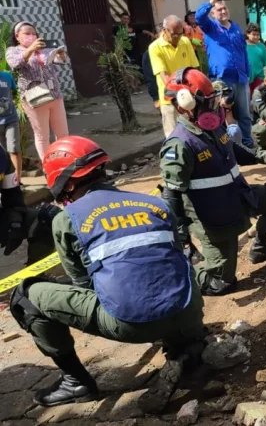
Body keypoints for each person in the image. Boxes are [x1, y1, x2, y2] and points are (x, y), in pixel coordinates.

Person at [9, 136, 206, 412]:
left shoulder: (67, 219)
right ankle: (188, 348)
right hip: (188, 311)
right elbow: (170, 259)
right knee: (161, 272)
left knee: (25, 295)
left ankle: (75, 382)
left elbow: (85, 286)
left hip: (131, 323)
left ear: (63, 182)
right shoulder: (154, 204)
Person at [159, 68, 266, 296]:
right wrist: (184, 240)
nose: (214, 108)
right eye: (207, 103)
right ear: (184, 107)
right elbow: (172, 197)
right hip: (215, 220)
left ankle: (261, 248)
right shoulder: (179, 146)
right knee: (222, 283)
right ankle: (177, 276)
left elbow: (235, 150)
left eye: (213, 101)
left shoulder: (213, 127)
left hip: (238, 197)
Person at [196, 0, 254, 148]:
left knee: (244, 114)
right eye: (219, 9)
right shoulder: (210, 27)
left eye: (224, 9)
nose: (223, 11)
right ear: (213, 13)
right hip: (221, 80)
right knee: (221, 114)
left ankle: (247, 144)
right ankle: (224, 146)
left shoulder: (235, 28)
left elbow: (243, 52)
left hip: (240, 78)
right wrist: (211, 1)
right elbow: (199, 17)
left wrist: (247, 73)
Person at [5, 21, 69, 162]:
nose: (32, 36)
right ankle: (48, 166)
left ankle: (65, 163)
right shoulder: (13, 51)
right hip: (34, 97)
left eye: (34, 33)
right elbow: (15, 64)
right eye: (27, 33)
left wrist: (61, 55)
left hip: (55, 95)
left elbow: (60, 62)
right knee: (42, 136)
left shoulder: (44, 49)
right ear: (17, 36)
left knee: (63, 134)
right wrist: (31, 49)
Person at [0, 142, 59, 266]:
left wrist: (15, 219)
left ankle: (34, 279)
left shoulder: (2, 156)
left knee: (47, 219)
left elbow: (12, 193)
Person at [148, 15, 200, 137]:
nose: (177, 37)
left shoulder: (185, 41)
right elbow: (164, 76)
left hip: (189, 97)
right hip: (169, 98)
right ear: (164, 30)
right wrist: (180, 95)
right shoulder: (155, 47)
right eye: (174, 35)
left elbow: (195, 69)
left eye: (180, 33)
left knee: (193, 133)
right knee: (173, 135)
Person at [0, 69, 23, 176]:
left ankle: (17, 182)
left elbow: (13, 91)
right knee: (2, 154)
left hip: (11, 120)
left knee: (14, 150)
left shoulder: (7, 76)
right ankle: (5, 182)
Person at [245, 23, 266, 94]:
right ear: (248, 34)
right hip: (247, 77)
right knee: (248, 99)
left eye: (258, 35)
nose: (256, 37)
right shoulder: (243, 46)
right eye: (253, 34)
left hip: (260, 77)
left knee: (258, 98)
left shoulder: (262, 47)